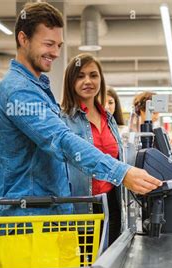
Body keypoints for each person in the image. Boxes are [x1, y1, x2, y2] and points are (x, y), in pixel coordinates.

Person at [0, 2, 161, 217]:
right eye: (48, 44)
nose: (55, 53)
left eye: (59, 45)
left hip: (50, 212)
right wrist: (121, 171)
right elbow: (61, 140)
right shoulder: (19, 91)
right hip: (28, 221)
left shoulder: (37, 87)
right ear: (23, 39)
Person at [60, 54, 125, 246]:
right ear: (70, 81)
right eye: (80, 76)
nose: (88, 81)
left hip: (112, 206)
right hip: (80, 209)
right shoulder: (63, 119)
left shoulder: (109, 119)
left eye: (93, 75)